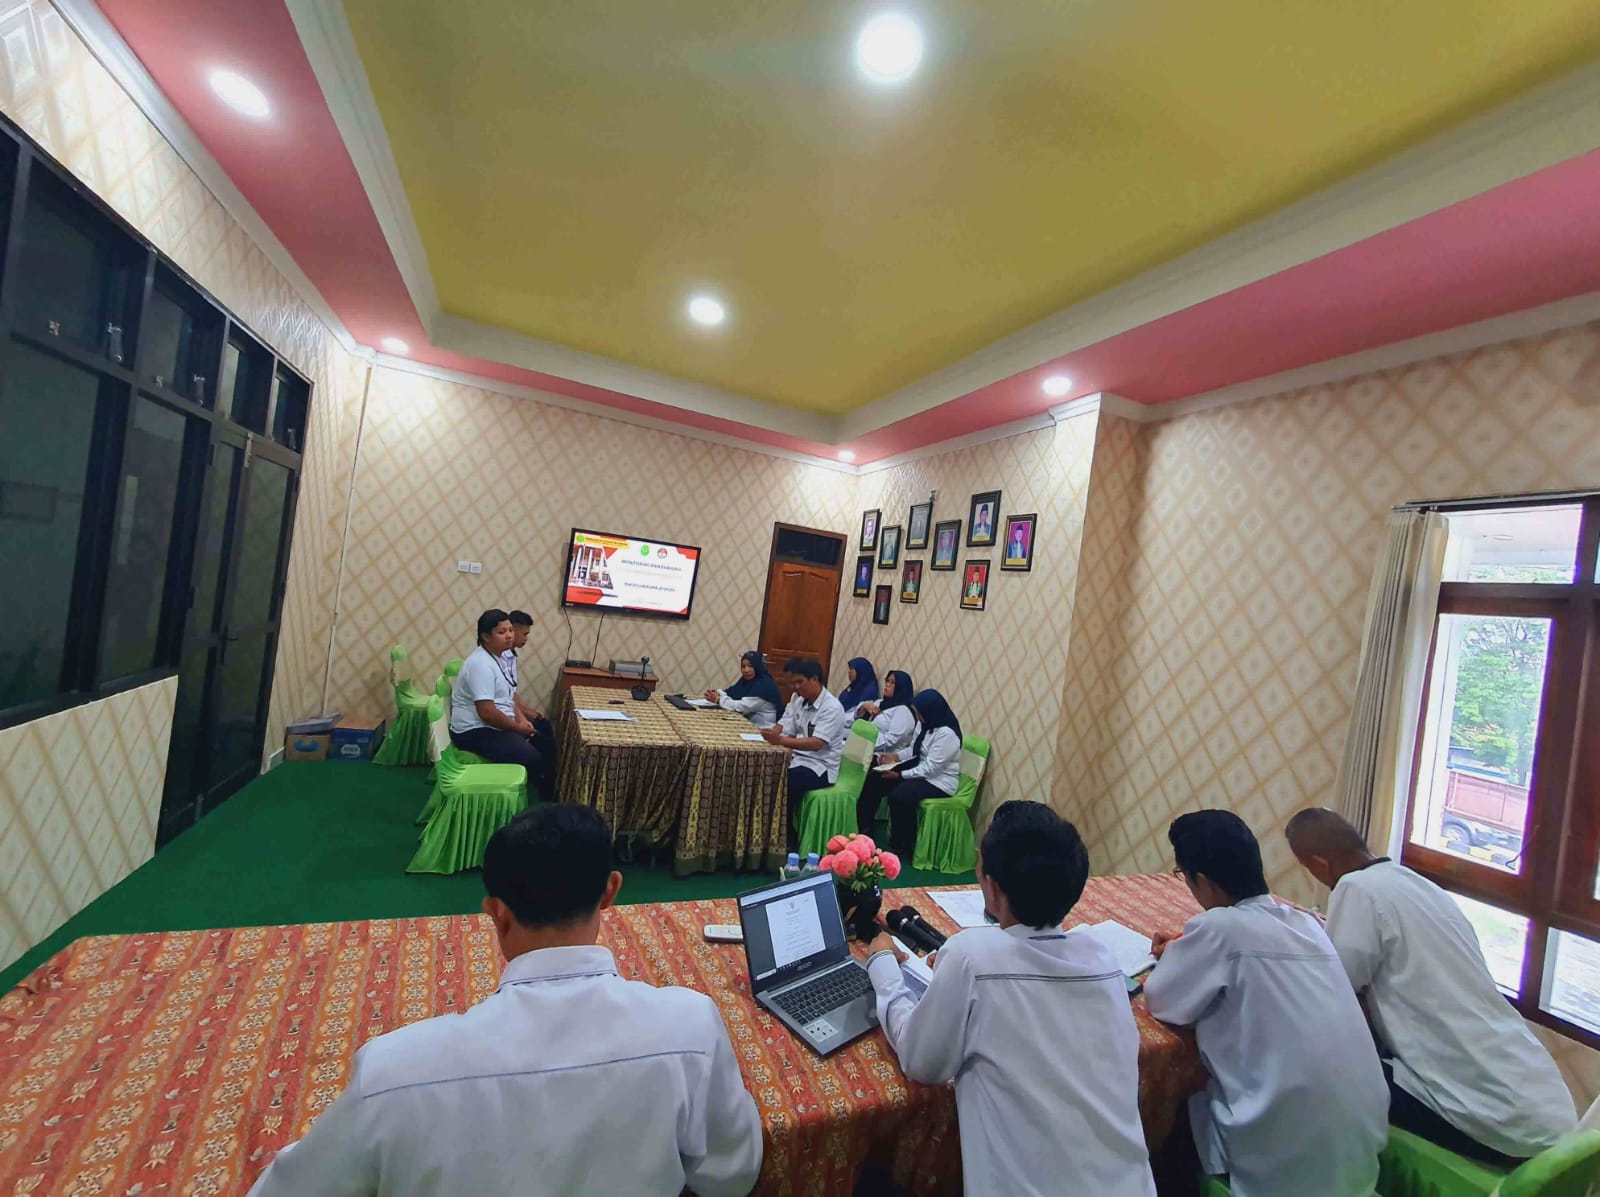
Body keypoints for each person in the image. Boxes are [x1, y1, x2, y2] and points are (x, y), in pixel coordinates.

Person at [247, 805, 763, 1197]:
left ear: (496, 911)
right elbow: (732, 1175)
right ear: (611, 891)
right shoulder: (691, 1026)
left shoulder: (393, 1072)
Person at [863, 801, 1156, 1197]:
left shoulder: (971, 955)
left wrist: (883, 967)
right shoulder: (1100, 956)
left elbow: (921, 1061)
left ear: (993, 887)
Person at [1285, 808, 1576, 1164]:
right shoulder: (1417, 884)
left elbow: (1335, 988)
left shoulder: (1355, 888)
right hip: (1546, 1105)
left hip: (1497, 1121)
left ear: (1319, 864)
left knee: (1321, 1063)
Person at [1144, 810, 1387, 1197]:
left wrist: (1177, 957)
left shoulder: (1220, 927)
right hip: (1361, 1152)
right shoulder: (1307, 924)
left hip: (1284, 1165)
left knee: (1170, 1119)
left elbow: (1162, 1000)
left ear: (1202, 881)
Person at [448, 610, 547, 786]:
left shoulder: (498, 657)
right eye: (502, 632)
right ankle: (531, 795)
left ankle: (544, 788)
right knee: (532, 757)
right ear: (486, 637)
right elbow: (487, 713)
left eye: (510, 630)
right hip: (473, 730)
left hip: (489, 724)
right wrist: (517, 728)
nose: (509, 636)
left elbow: (508, 697)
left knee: (542, 735)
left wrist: (521, 720)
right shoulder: (481, 664)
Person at [759, 658, 847, 841]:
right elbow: (788, 724)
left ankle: (786, 837)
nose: (795, 688)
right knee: (765, 773)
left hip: (820, 766)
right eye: (792, 683)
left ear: (814, 679)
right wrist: (774, 733)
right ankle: (765, 829)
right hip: (797, 758)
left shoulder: (831, 708)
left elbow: (817, 743)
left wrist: (780, 740)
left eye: (799, 682)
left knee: (786, 784)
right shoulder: (799, 700)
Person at [867, 689, 963, 858]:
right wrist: (894, 757)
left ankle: (904, 845)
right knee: (875, 779)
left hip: (939, 781)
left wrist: (900, 775)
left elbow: (930, 768)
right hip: (921, 771)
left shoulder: (947, 734)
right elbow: (915, 750)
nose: (918, 716)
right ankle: (865, 827)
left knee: (900, 796)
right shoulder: (925, 724)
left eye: (920, 713)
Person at [505, 609, 557, 796]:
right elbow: (505, 698)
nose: (527, 639)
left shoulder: (510, 656)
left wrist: (527, 711)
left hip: (510, 711)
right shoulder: (501, 658)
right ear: (513, 630)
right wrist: (522, 718)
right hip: (503, 717)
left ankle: (546, 779)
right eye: (524, 634)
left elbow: (511, 692)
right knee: (541, 736)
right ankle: (544, 786)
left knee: (544, 725)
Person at [705, 650, 781, 729]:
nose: (746, 670)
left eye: (750, 666)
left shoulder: (764, 686)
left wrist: (718, 699)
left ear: (757, 666)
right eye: (743, 666)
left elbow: (741, 707)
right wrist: (717, 693)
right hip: (747, 724)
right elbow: (732, 693)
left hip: (763, 729)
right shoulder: (746, 681)